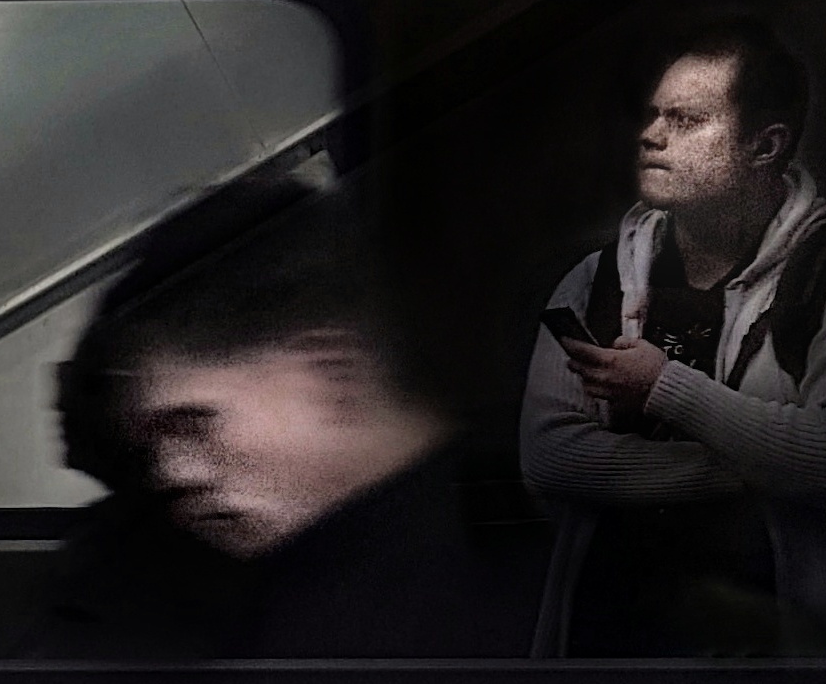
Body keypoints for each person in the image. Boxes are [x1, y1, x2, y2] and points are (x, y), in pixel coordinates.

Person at [519, 17, 826, 656]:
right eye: (655, 115)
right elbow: (550, 457)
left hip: (782, 652)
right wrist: (757, 467)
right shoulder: (596, 278)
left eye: (686, 120)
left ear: (765, 146)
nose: (650, 135)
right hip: (608, 642)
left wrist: (664, 388)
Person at [44, 186, 529, 658]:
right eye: (151, 443)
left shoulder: (414, 609)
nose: (174, 472)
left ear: (331, 372)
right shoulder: (495, 527)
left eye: (194, 424)